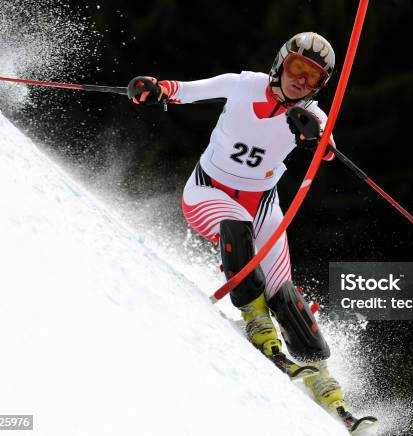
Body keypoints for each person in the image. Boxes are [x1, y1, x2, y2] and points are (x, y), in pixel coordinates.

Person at [128, 32, 353, 421]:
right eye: (298, 68)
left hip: (263, 205)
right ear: (282, 64)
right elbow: (183, 90)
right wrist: (153, 88)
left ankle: (324, 379)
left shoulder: (312, 115)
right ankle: (255, 319)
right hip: (206, 193)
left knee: (284, 292)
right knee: (236, 225)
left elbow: (327, 147)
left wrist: (315, 137)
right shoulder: (243, 85)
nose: (301, 80)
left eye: (313, 77)